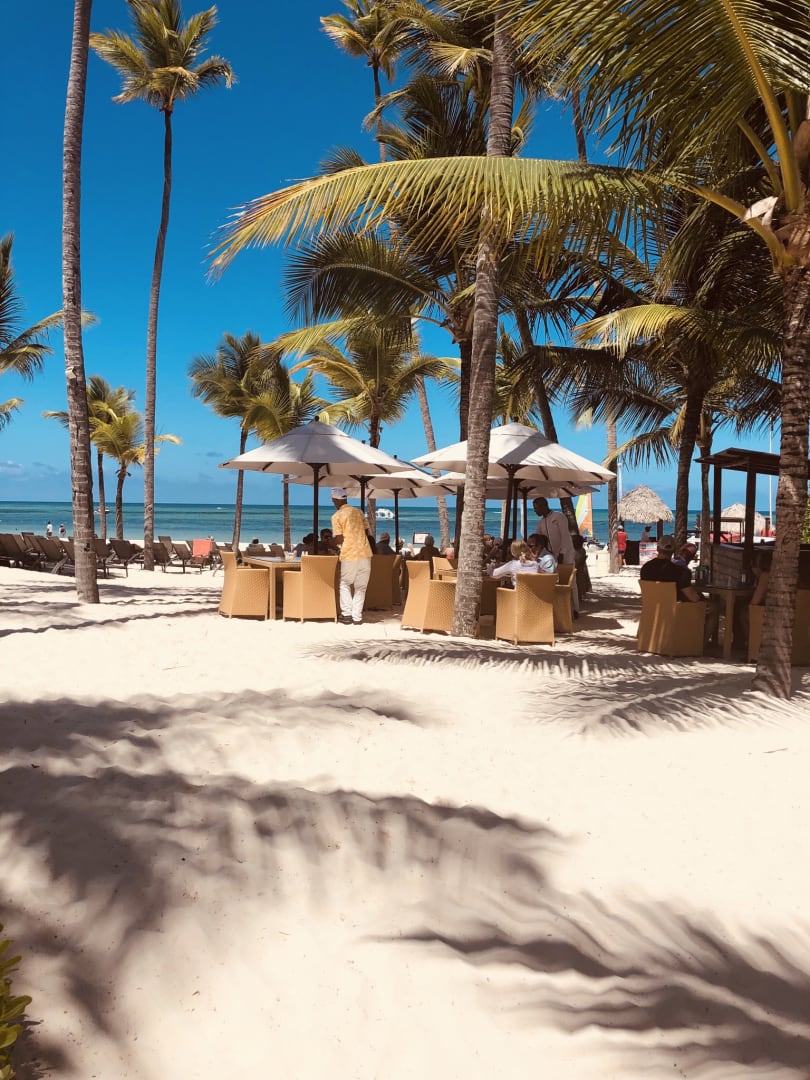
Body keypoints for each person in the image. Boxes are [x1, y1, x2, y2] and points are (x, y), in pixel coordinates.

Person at [331, 487, 372, 625]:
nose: (333, 503)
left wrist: (334, 545)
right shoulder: (359, 512)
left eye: (333, 501)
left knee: (345, 583)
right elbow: (366, 532)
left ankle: (347, 614)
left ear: (336, 500)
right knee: (361, 587)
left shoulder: (337, 516)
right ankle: (357, 617)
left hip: (349, 553)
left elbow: (339, 538)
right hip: (365, 552)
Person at [532, 498, 578, 611]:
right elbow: (536, 538)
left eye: (536, 508)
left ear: (544, 506)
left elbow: (565, 536)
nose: (535, 511)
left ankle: (575, 609)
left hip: (566, 554)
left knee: (570, 581)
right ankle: (560, 608)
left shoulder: (559, 517)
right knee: (555, 581)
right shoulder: (541, 523)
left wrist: (562, 553)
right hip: (553, 556)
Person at [572, 533, 591, 599]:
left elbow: (576, 561)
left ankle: (578, 596)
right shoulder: (582, 550)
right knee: (580, 582)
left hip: (577, 569)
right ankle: (580, 595)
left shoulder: (575, 552)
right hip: (581, 569)